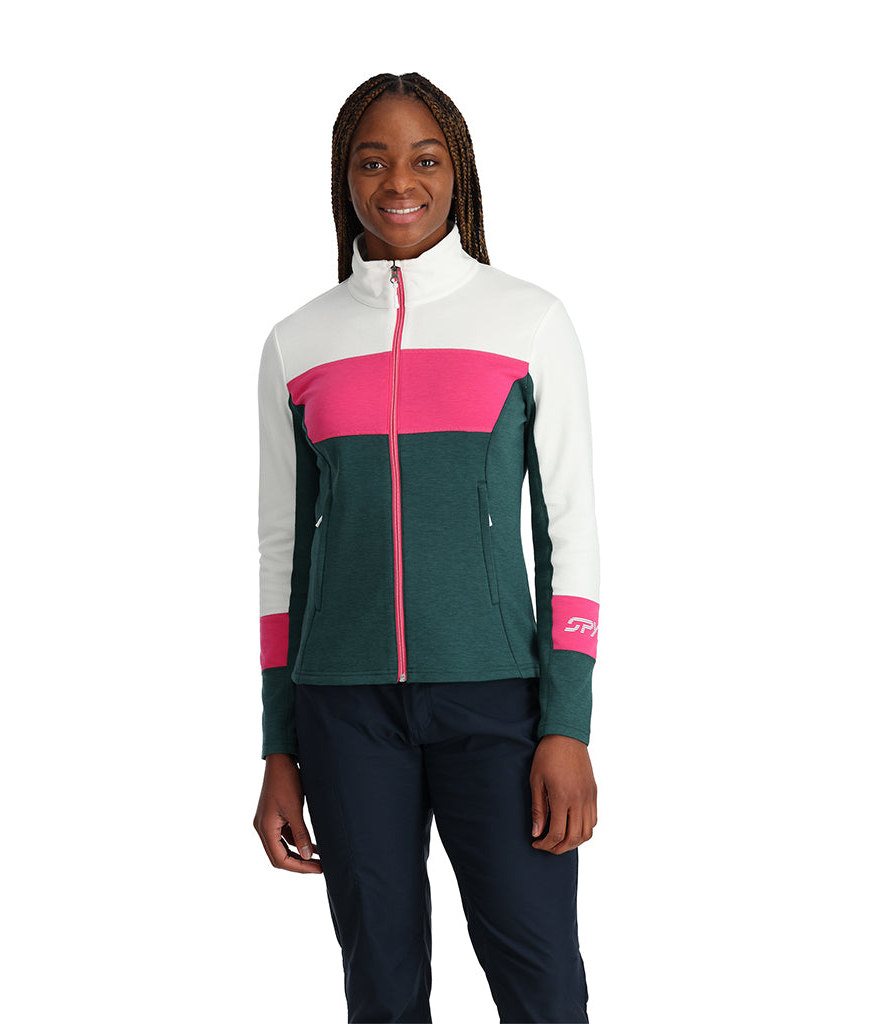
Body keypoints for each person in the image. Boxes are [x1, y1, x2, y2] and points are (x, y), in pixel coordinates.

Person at [253, 71, 601, 1023]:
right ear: (345, 178)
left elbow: (569, 532)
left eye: (424, 158)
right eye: (373, 162)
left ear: (459, 173)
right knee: (381, 984)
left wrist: (566, 722)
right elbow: (282, 555)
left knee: (541, 981)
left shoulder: (528, 320)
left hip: (496, 704)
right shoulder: (299, 342)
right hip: (343, 711)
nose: (399, 181)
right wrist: (279, 745)